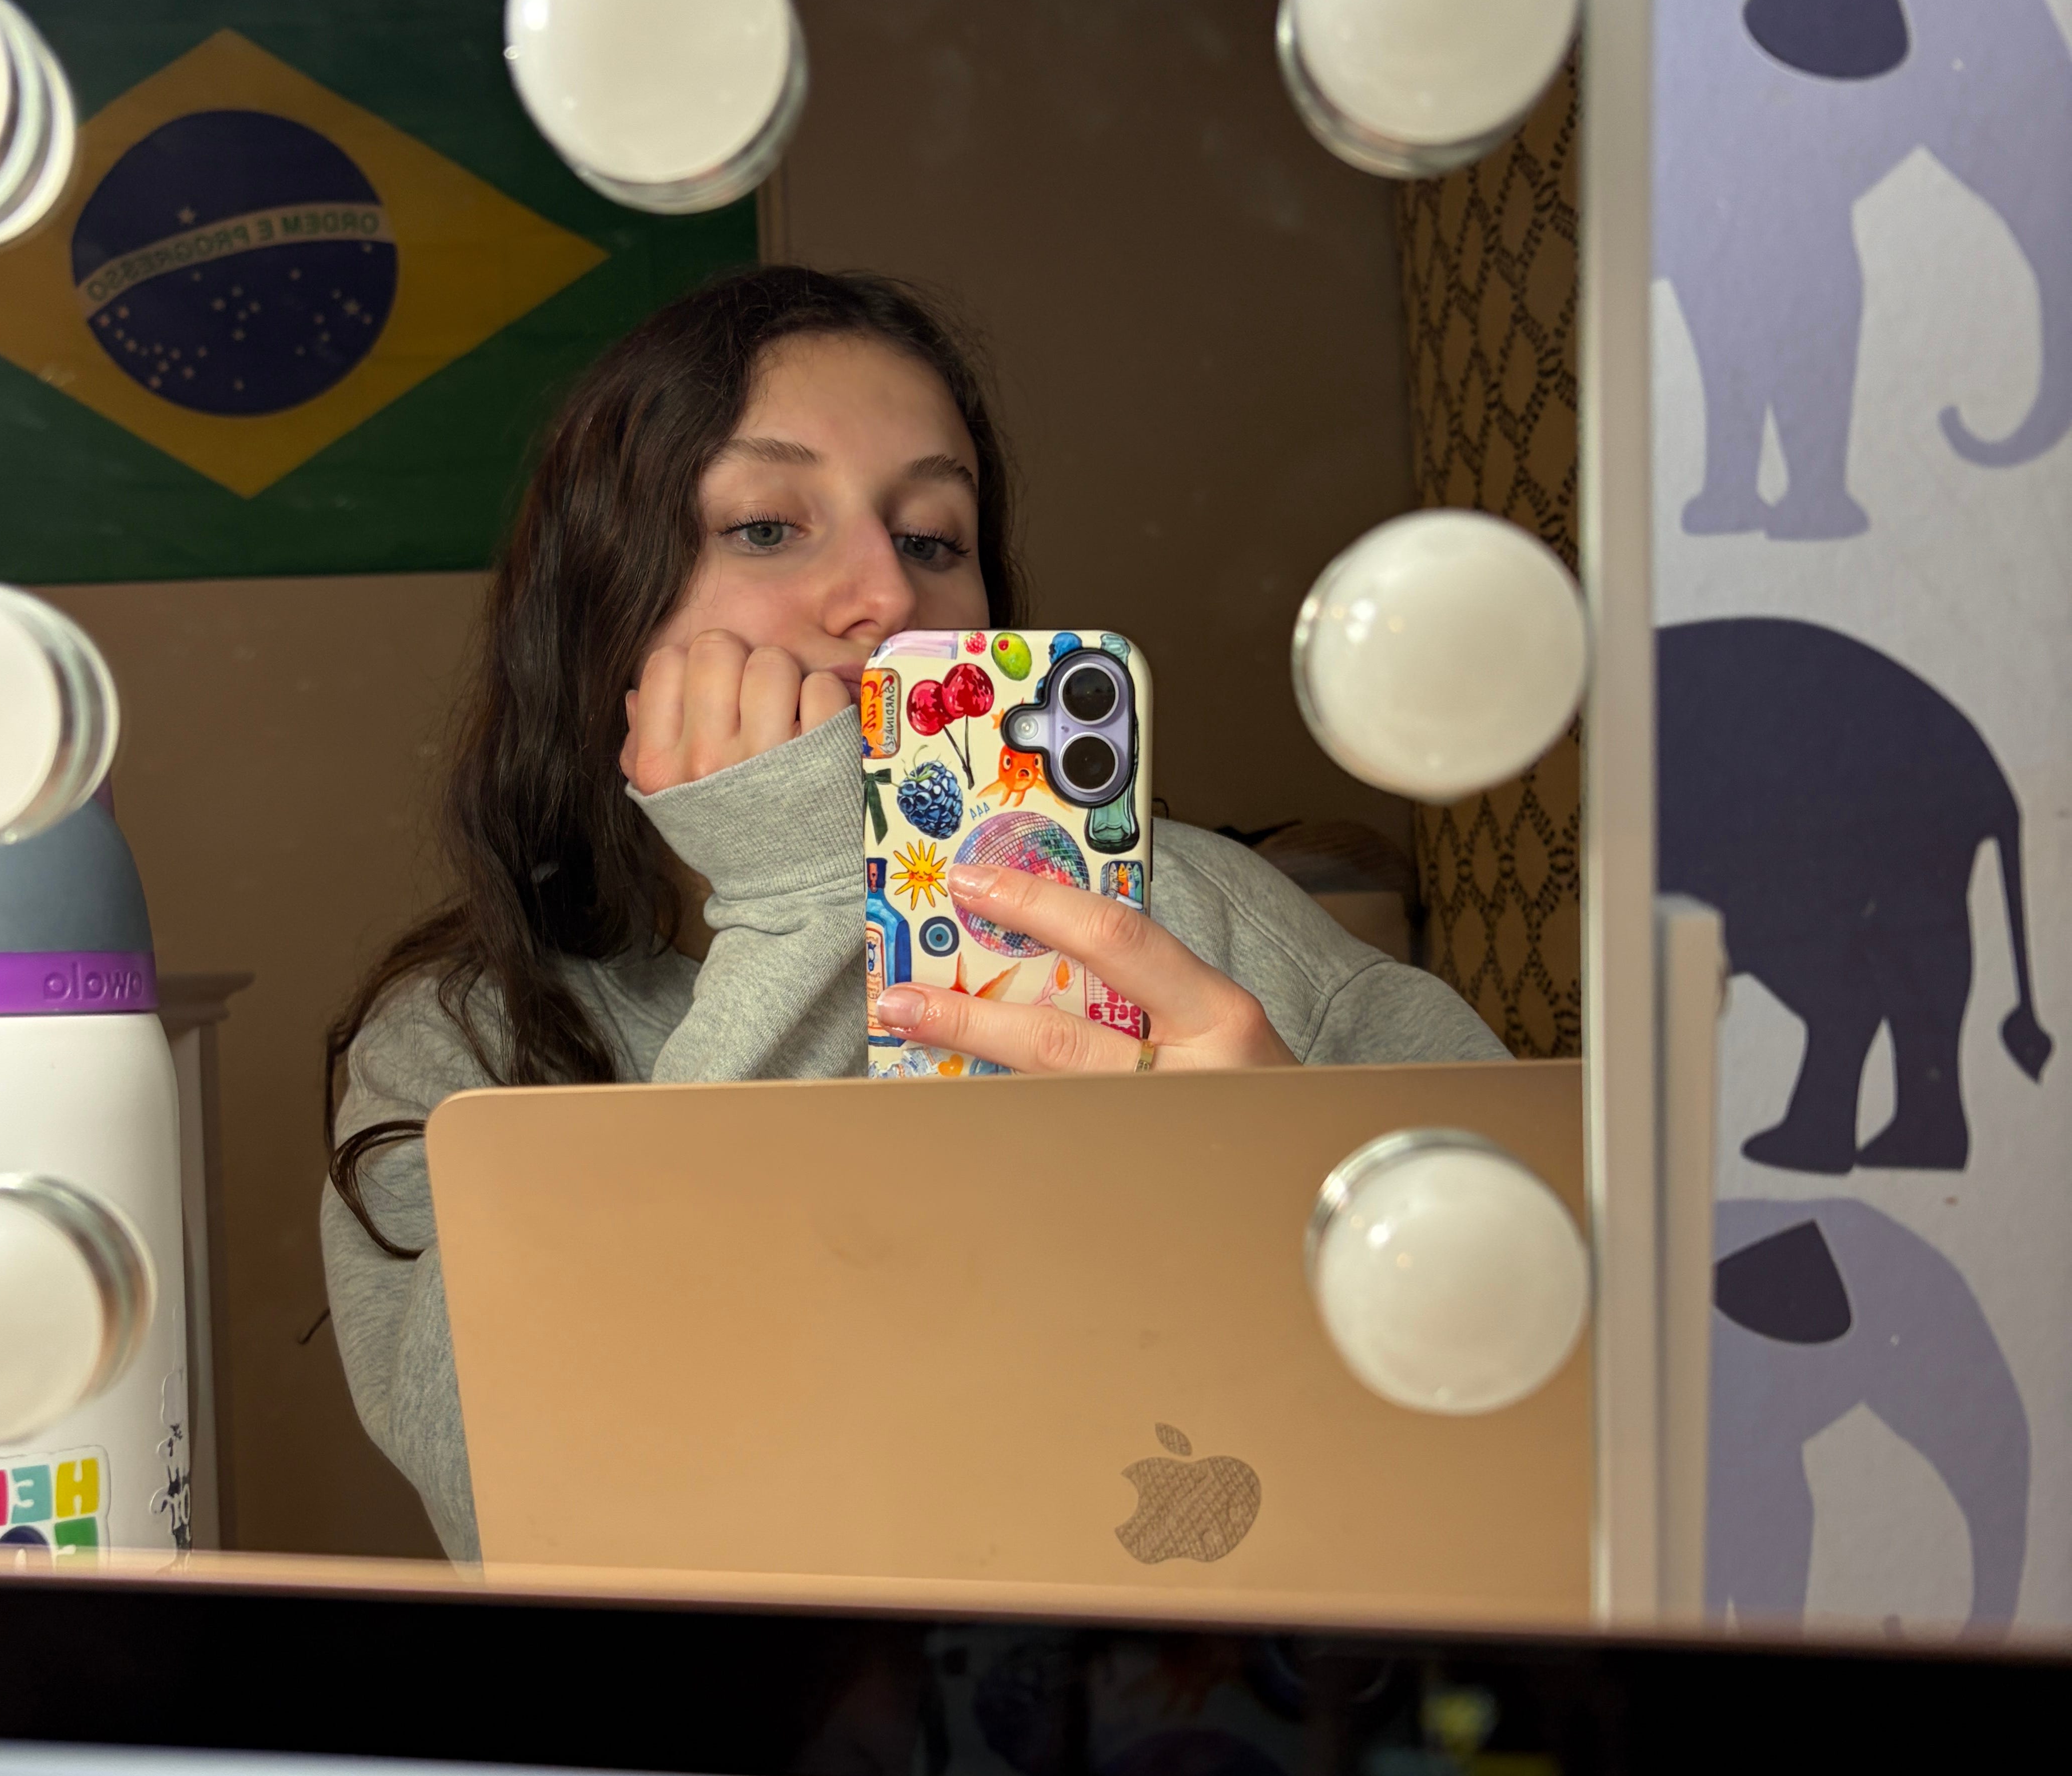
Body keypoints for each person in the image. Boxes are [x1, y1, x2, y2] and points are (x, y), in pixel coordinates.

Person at [323, 264, 1504, 1558]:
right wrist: (801, 908)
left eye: (934, 539)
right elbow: (517, 1515)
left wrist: (1288, 1194)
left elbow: (1542, 1373)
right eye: (766, 526)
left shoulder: (1202, 923)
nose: (886, 594)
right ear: (599, 600)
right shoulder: (461, 1040)